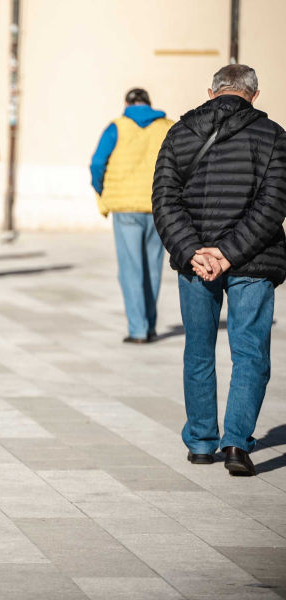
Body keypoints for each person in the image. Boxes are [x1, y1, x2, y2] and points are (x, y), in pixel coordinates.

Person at [152, 64, 286, 476]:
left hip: (196, 263)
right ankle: (235, 445)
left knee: (199, 349)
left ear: (211, 92)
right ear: (255, 95)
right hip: (253, 259)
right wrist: (228, 253)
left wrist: (194, 251)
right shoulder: (274, 137)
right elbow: (274, 204)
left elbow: (163, 199)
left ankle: (200, 442)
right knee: (249, 353)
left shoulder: (179, 132)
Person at [90, 88, 173, 343]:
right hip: (159, 207)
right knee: (153, 269)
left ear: (126, 103)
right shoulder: (168, 127)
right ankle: (149, 326)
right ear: (150, 103)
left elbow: (96, 163)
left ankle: (137, 330)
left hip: (125, 208)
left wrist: (103, 191)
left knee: (131, 270)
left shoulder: (116, 127)